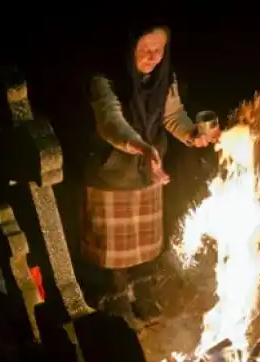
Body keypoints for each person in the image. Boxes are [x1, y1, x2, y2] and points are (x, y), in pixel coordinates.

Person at [80, 21, 219, 330]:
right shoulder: (105, 79)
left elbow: (171, 114)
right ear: (129, 48)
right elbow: (111, 123)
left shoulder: (164, 77)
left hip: (148, 169)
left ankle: (142, 289)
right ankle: (114, 298)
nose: (153, 56)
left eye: (159, 50)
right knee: (112, 245)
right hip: (112, 169)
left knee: (143, 240)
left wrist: (190, 134)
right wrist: (142, 148)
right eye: (145, 49)